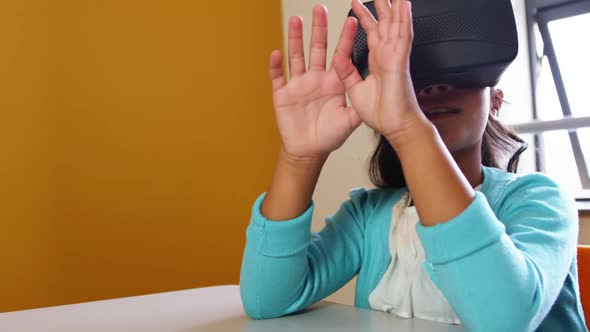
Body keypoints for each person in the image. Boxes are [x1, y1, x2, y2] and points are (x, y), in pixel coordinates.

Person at [239, 0, 587, 330]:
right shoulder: (370, 217)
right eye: (413, 76)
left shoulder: (540, 202)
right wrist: (300, 159)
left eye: (460, 70)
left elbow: (503, 321)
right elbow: (266, 300)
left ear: (495, 102)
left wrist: (409, 127)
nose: (435, 86)